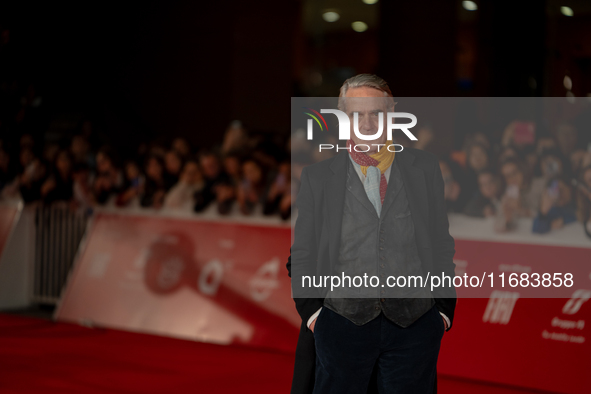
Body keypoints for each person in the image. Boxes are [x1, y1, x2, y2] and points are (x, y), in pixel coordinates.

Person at [287, 74, 456, 394]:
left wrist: (443, 312)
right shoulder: (319, 178)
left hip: (415, 327)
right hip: (339, 324)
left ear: (392, 114)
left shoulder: (425, 168)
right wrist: (314, 316)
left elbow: (439, 243)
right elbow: (303, 254)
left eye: (375, 113)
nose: (367, 123)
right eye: (356, 114)